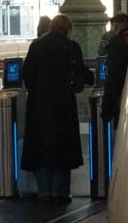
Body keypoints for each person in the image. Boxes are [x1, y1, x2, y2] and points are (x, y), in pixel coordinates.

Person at [20, 14, 93, 203]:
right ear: (68, 29)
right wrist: (95, 80)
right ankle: (60, 192)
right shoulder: (71, 47)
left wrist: (37, 90)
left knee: (41, 148)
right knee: (63, 148)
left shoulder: (36, 46)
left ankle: (43, 191)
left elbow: (27, 74)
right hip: (63, 106)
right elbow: (81, 75)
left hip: (39, 105)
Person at [99, 12, 128, 129]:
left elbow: (114, 75)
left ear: (117, 25)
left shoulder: (118, 43)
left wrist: (107, 107)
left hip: (120, 94)